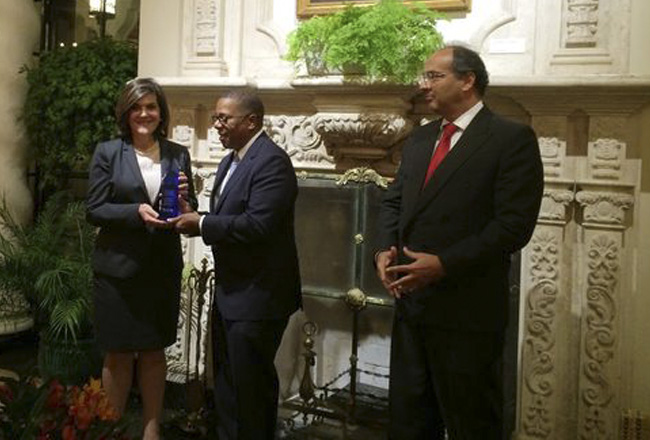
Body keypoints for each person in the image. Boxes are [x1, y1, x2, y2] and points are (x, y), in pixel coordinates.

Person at [375, 45, 544, 439]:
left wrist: (444, 264)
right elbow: (393, 201)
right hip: (412, 309)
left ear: (468, 81)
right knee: (409, 423)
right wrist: (382, 248)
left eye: (434, 76)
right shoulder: (421, 138)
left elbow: (513, 226)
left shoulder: (510, 139)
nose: (424, 85)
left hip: (468, 314)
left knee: (472, 425)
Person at [170, 90, 302, 439]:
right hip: (232, 293)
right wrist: (193, 213)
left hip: (259, 296)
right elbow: (231, 216)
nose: (216, 125)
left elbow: (258, 225)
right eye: (216, 117)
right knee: (228, 387)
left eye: (224, 118)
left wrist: (201, 224)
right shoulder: (231, 160)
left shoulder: (272, 162)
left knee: (252, 391)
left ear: (251, 121)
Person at [86, 77, 197, 440]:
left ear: (161, 112)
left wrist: (185, 204)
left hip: (161, 269)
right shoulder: (108, 152)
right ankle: (111, 430)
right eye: (136, 107)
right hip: (116, 271)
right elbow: (95, 209)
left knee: (153, 351)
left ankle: (152, 430)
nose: (144, 114)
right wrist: (135, 211)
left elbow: (188, 211)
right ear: (126, 112)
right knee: (118, 354)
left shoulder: (178, 153)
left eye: (151, 107)